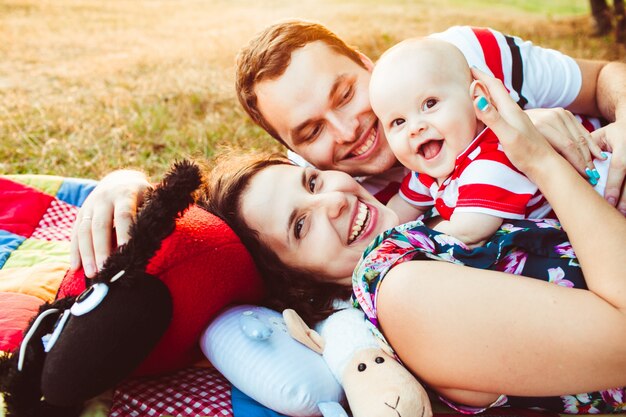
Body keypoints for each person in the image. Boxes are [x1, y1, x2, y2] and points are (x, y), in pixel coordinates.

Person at [204, 69, 626, 414]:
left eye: (312, 181)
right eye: (300, 226)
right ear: (297, 282)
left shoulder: (422, 232)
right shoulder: (401, 294)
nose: (333, 200)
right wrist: (538, 160)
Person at [71, 20, 626, 276]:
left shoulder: (457, 57)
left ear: (368, 64)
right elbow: (224, 209)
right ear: (292, 153)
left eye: (346, 93)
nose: (348, 132)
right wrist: (124, 185)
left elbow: (605, 80)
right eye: (310, 132)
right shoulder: (323, 196)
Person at [369, 37, 612, 247]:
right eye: (398, 122)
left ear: (477, 97)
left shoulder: (492, 158)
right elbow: (398, 210)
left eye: (429, 104)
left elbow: (469, 231)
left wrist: (399, 246)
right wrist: (375, 242)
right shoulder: (426, 171)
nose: (415, 127)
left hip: (608, 207)